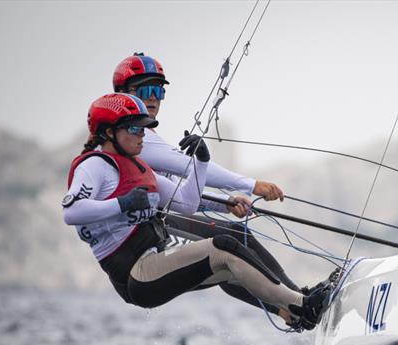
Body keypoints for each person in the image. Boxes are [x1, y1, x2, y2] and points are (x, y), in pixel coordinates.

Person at [62, 93, 328, 330]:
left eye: (145, 130)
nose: (143, 136)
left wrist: (202, 161)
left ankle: (294, 310)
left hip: (155, 256)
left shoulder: (137, 168)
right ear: (109, 133)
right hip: (136, 274)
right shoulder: (95, 165)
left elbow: (186, 203)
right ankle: (303, 304)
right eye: (135, 129)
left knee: (234, 253)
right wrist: (123, 203)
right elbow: (72, 212)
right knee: (223, 247)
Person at [111, 52, 300, 315]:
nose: (153, 97)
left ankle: (289, 306)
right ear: (122, 94)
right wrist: (251, 184)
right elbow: (189, 169)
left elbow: (176, 192)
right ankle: (296, 301)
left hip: (153, 228)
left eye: (158, 90)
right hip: (141, 248)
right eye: (145, 89)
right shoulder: (133, 141)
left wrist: (224, 204)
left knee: (232, 247)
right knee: (230, 243)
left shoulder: (142, 138)